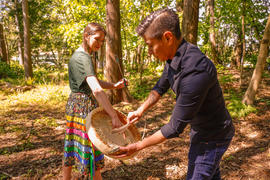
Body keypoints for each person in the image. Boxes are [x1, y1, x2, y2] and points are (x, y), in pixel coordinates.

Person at [117, 8, 235, 180]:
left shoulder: (196, 70)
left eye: (150, 45)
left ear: (167, 37)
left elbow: (174, 127)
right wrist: (140, 111)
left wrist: (137, 146)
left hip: (214, 137)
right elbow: (160, 87)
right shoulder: (172, 58)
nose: (149, 52)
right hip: (199, 131)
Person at [63, 22, 126, 180]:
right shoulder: (83, 58)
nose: (100, 43)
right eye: (97, 39)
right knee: (91, 149)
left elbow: (94, 81)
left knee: (72, 145)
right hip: (83, 107)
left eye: (102, 41)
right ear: (86, 36)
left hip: (76, 106)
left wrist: (113, 85)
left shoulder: (81, 55)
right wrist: (113, 115)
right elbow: (96, 89)